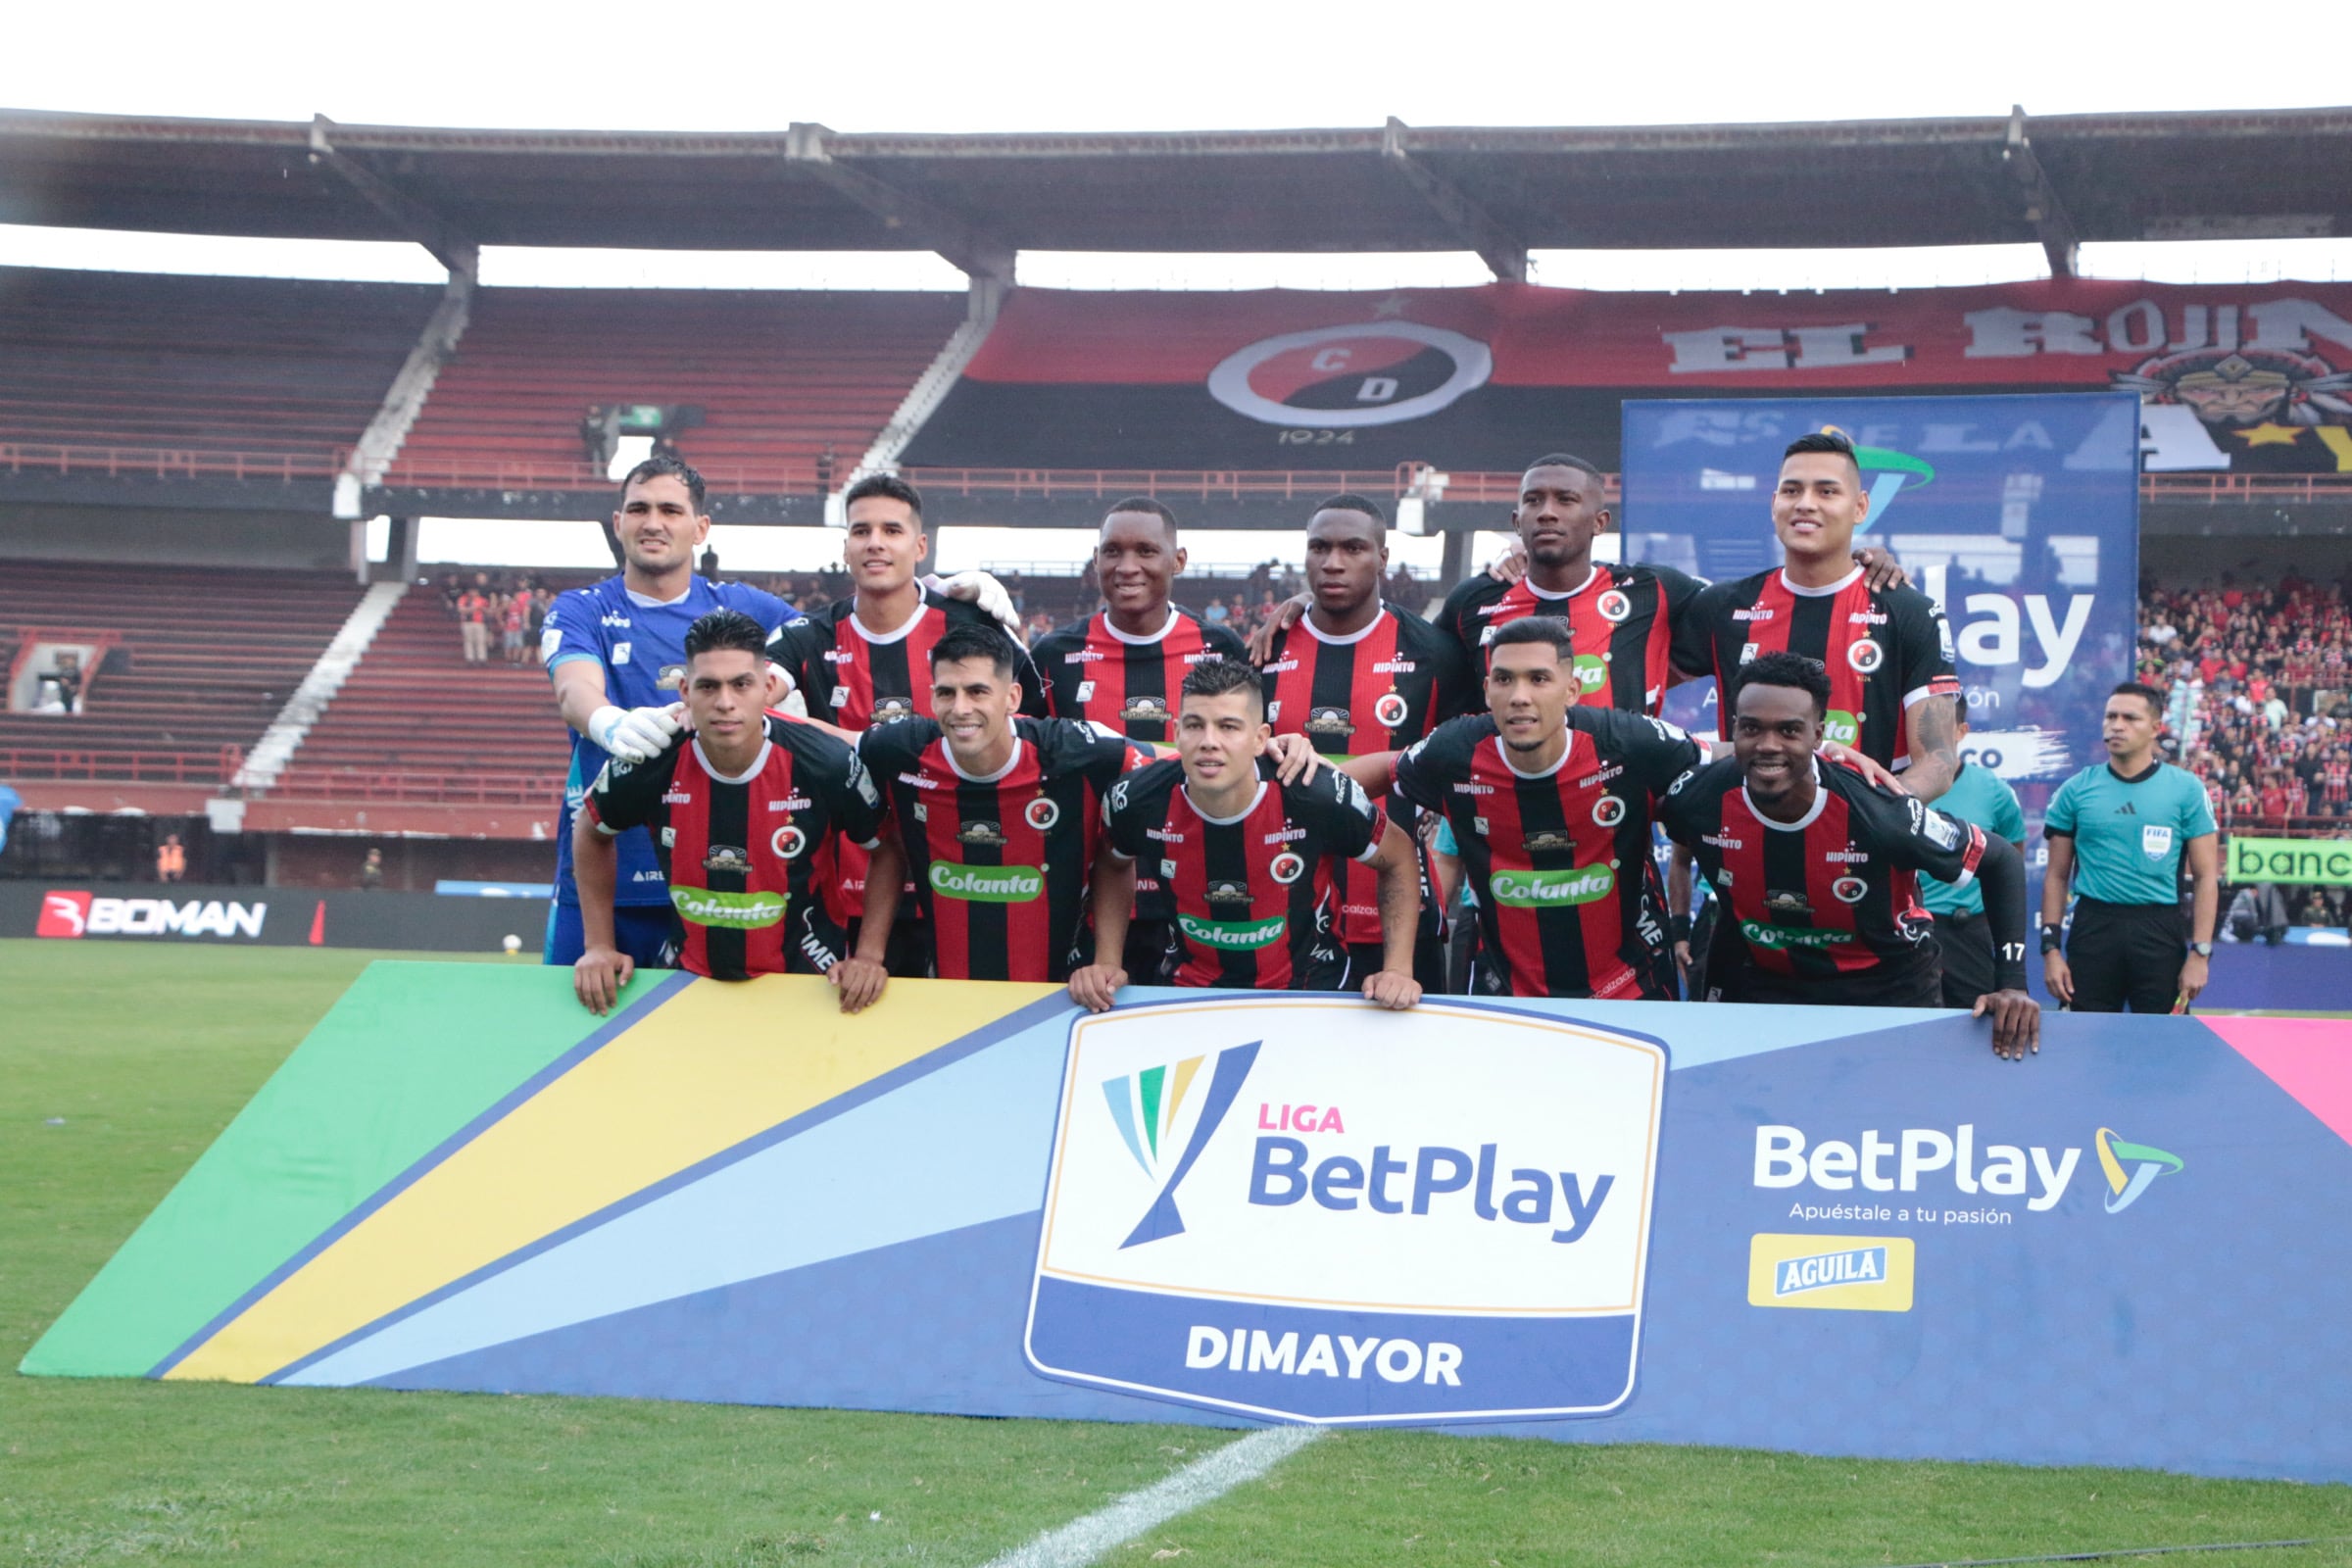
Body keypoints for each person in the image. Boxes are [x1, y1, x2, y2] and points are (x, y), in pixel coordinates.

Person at [1656, 652, 2038, 1058]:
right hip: (1765, 983)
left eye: (1789, 731)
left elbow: (2000, 859)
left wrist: (2012, 983)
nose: (1768, 745)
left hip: (1886, 988)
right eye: (1751, 728)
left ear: (1817, 736)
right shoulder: (1697, 798)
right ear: (1734, 728)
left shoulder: (1878, 810)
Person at [763, 472, 1044, 966]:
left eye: (891, 530)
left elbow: (1035, 726)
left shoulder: (971, 623)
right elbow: (749, 698)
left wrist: (846, 741)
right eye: (861, 531)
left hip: (968, 882)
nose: (875, 543)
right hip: (848, 894)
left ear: (920, 547)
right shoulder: (808, 635)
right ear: (845, 547)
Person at [1348, 618, 1702, 1000]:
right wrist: (1305, 770)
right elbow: (1383, 769)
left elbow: (1728, 763)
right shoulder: (1455, 751)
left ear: (1571, 690)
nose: (1519, 696)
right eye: (1504, 679)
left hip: (1633, 987)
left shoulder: (1628, 741)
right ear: (1487, 691)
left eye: (1538, 679)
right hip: (1506, 993)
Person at [541, 455, 801, 971]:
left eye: (670, 510)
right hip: (604, 878)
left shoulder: (747, 608)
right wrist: (612, 723)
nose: (653, 523)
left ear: (700, 528)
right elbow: (574, 690)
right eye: (639, 509)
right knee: (576, 1020)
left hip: (717, 883)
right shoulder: (581, 609)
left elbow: (833, 638)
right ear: (618, 523)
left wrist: (941, 593)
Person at [571, 610, 891, 1013]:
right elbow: (591, 830)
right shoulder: (651, 758)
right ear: (685, 691)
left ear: (768, 687)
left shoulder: (825, 762)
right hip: (688, 981)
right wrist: (598, 945)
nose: (725, 703)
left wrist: (869, 955)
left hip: (810, 985)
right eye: (708, 686)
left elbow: (887, 847)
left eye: (741, 684)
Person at [1073, 658, 1423, 1009]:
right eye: (1194, 725)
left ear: (1260, 739)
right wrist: (1107, 961)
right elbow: (1112, 862)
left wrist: (1397, 969)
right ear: (1176, 733)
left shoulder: (1315, 794)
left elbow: (1398, 857)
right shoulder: (1136, 799)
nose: (1209, 742)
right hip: (1188, 994)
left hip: (1313, 993)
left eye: (1228, 727)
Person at [1671, 430, 1962, 799]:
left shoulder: (1911, 612)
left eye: (1827, 492)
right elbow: (1636, 684)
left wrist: (1878, 814)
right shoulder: (1723, 606)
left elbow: (1938, 760)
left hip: (1866, 833)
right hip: (1743, 830)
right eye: (1792, 491)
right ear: (1774, 504)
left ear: (1860, 507)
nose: (1805, 504)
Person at [856, 622, 1151, 982]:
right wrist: (868, 955)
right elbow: (828, 750)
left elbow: (1176, 768)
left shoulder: (1077, 750)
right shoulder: (897, 750)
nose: (960, 708)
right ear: (932, 698)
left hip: (1066, 990)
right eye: (947, 693)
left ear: (1012, 697)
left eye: (977, 692)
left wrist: (1107, 962)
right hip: (949, 990)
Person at [1260, 494, 1472, 991]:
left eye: (1353, 548)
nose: (1333, 563)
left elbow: (1472, 753)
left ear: (1382, 558)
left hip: (1398, 916)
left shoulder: (1435, 653)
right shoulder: (1265, 649)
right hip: (1287, 915)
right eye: (1320, 548)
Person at [1031, 498, 1250, 979]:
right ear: (1096, 560)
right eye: (1113, 552)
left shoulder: (1220, 647)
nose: (1127, 567)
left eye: (1146, 551)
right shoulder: (1053, 654)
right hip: (1086, 898)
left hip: (1196, 896)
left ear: (1178, 560)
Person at [1438, 455, 1708, 715]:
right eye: (1533, 500)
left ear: (1599, 523)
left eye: (1566, 500)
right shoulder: (1473, 600)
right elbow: (1429, 677)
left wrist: (1645, 680)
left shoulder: (1650, 589)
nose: (1547, 512)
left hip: (1621, 750)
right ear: (1517, 523)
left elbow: (1726, 613)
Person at [2041, 681, 2221, 1013]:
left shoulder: (2186, 790)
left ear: (2155, 728)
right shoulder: (2076, 790)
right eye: (2111, 716)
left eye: (2130, 718)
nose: (2117, 725)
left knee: (2162, 1040)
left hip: (2159, 930)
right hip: (2093, 928)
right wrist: (2051, 950)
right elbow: (2056, 876)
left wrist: (2201, 953)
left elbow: (2206, 877)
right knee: (2083, 1038)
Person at [1916, 696, 2028, 1008]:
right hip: (1906, 934)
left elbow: (2009, 860)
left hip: (1966, 934)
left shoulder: (1993, 790)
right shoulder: (1889, 783)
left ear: (1961, 731)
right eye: (1921, 726)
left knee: (1975, 1026)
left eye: (1939, 727)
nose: (1928, 735)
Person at [457, 581, 493, 664]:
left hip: (479, 623)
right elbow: (461, 609)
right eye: (471, 591)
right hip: (467, 623)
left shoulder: (482, 600)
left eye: (474, 591)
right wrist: (474, 608)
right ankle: (470, 659)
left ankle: (482, 658)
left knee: (481, 641)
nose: (473, 593)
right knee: (468, 641)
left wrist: (482, 608)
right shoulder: (463, 599)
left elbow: (489, 611)